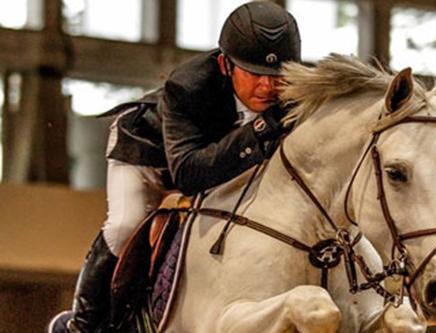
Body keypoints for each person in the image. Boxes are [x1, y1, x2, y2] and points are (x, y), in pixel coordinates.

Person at [47, 1, 301, 332]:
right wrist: (262, 129)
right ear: (225, 65)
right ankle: (81, 323)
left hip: (220, 164)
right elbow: (189, 174)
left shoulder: (294, 93)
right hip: (149, 156)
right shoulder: (187, 85)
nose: (268, 88)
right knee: (126, 225)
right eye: (254, 74)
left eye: (277, 76)